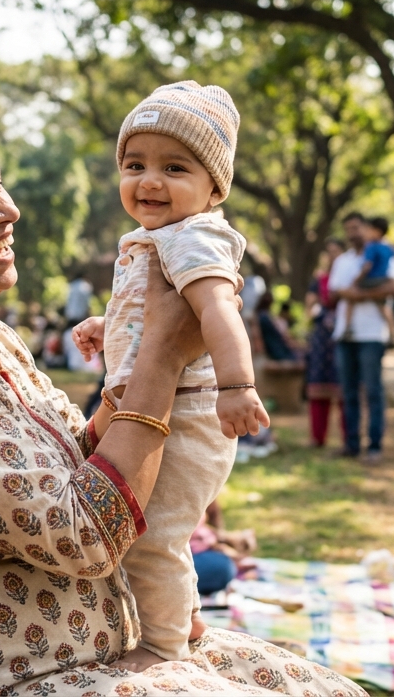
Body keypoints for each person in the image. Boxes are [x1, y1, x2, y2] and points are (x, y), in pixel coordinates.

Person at [0, 103, 362, 695]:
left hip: (103, 655)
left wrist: (135, 360)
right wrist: (160, 357)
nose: (9, 212)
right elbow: (86, 535)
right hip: (14, 680)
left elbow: (80, 456)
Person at [71, 81, 270, 663]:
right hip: (163, 406)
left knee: (153, 535)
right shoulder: (158, 237)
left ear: (214, 189)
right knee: (153, 529)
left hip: (190, 413)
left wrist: (238, 386)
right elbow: (150, 312)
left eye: (175, 167)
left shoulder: (195, 238)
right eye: (135, 164)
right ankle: (185, 619)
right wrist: (105, 329)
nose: (150, 181)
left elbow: (216, 312)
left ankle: (163, 650)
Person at [328, 212, 394, 460]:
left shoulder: (383, 252)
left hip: (372, 335)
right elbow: (337, 292)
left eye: (357, 227)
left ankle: (374, 445)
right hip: (345, 335)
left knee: (373, 391)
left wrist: (357, 294)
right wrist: (363, 294)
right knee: (348, 392)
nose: (354, 233)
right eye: (348, 228)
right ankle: (351, 444)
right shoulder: (343, 261)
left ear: (368, 229)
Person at [305, 240, 347, 448]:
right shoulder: (319, 279)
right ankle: (318, 437)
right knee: (318, 386)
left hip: (344, 335)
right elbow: (310, 304)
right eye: (329, 252)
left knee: (344, 386)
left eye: (336, 252)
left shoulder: (349, 278)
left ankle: (349, 437)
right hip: (322, 338)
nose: (332, 256)